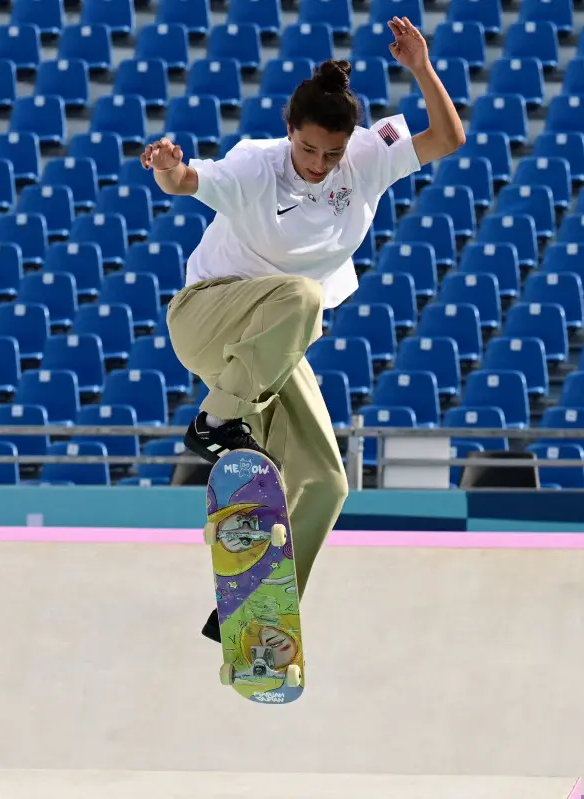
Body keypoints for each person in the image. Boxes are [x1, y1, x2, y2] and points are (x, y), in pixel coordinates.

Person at [139, 17, 466, 643]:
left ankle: (256, 604)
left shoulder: (368, 159)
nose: (319, 165)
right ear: (291, 132)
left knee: (327, 481)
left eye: (332, 154)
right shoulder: (255, 166)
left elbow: (447, 138)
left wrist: (422, 68)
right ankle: (213, 423)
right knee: (304, 296)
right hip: (208, 319)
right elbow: (186, 181)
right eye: (309, 149)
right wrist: (165, 168)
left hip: (267, 349)